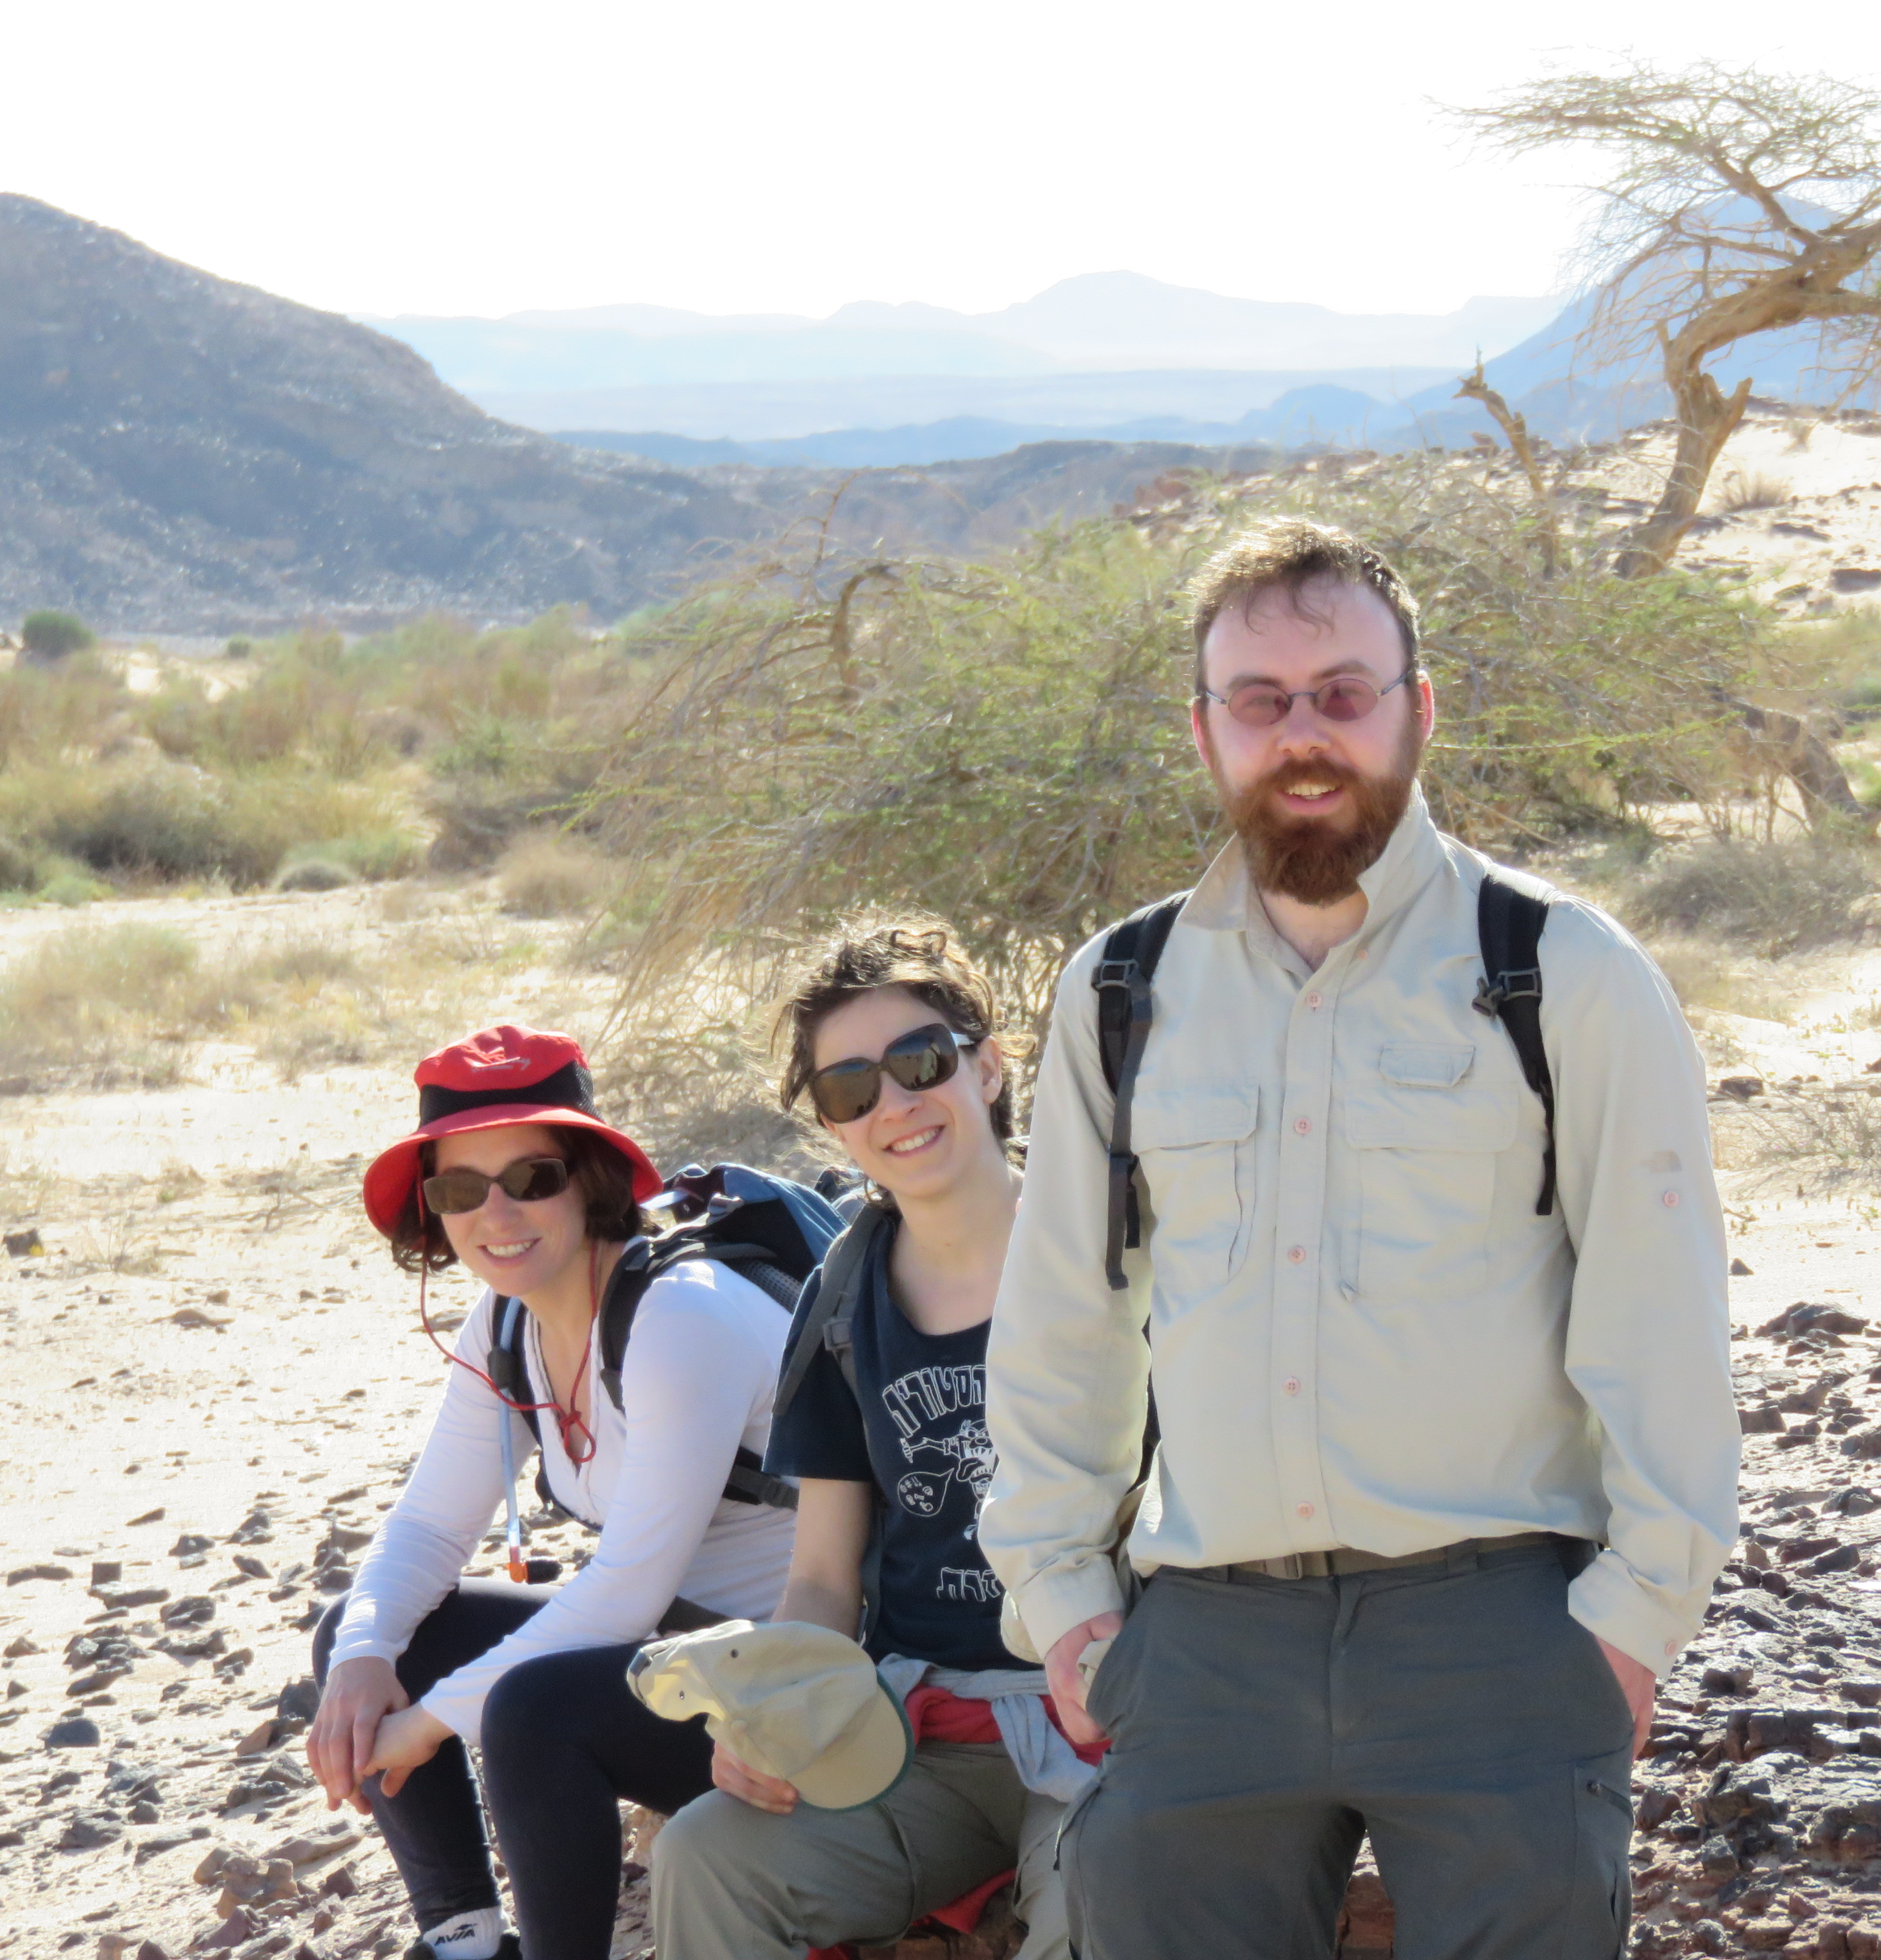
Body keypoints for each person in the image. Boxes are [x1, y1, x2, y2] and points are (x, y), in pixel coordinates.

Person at [980, 519, 1741, 1959]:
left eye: (1343, 692)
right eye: (1260, 700)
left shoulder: (1560, 970)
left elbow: (1662, 1322)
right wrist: (1066, 1601)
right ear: (1205, 730)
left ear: (1418, 709)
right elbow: (1065, 1321)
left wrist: (1634, 1625)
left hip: (1501, 1639)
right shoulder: (1120, 989)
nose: (1303, 734)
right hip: (1202, 1648)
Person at [308, 1025, 811, 1960]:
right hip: (685, 1662)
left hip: (803, 1689)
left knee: (532, 1711)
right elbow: (429, 1526)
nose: (495, 1213)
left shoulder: (682, 1314)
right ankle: (465, 1944)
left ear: (591, 1179)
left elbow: (623, 1596)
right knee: (361, 1629)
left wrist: (425, 1725)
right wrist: (364, 1657)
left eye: (531, 1178)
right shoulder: (506, 1322)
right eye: (460, 1190)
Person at [648, 916, 1096, 1960]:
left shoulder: (1109, 1249)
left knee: (1102, 1899)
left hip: (1110, 1719)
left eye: (920, 1061)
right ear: (830, 1124)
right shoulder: (844, 1297)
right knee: (705, 1857)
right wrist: (772, 1714)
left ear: (989, 1067)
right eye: (850, 1088)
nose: (892, 1103)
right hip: (918, 1737)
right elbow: (821, 1576)